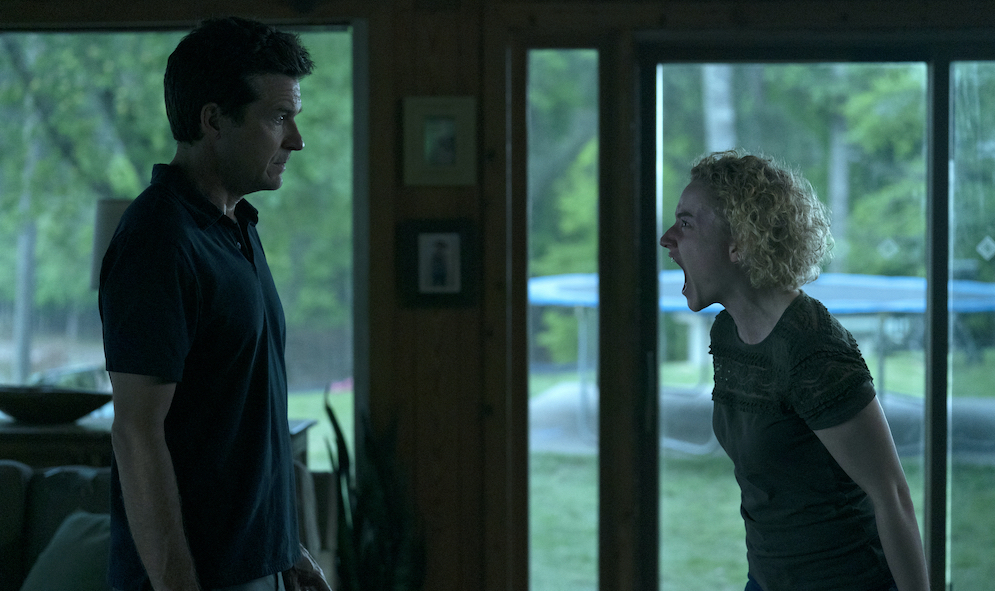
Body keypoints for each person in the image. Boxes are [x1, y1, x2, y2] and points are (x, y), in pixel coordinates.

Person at [99, 17, 329, 591]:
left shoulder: (237, 227)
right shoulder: (159, 240)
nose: (296, 140)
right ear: (213, 120)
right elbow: (136, 433)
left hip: (259, 566)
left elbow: (237, 421)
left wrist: (285, 549)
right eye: (278, 118)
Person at [659, 150, 930, 591]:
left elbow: (892, 497)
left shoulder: (813, 348)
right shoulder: (727, 333)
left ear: (739, 242)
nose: (667, 238)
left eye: (686, 224)